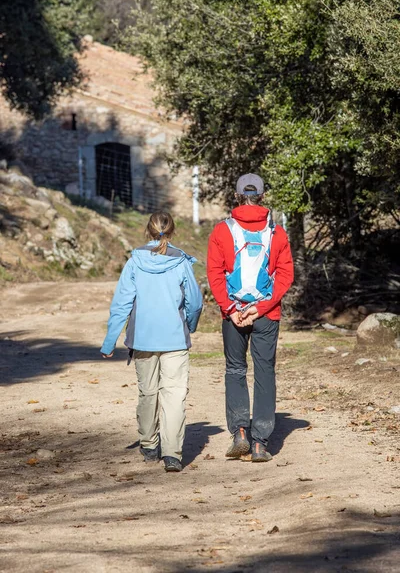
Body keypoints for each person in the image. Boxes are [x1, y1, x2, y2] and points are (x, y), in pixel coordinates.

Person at [101, 212, 203, 472]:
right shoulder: (181, 262)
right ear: (172, 231)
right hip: (175, 340)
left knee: (148, 393)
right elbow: (195, 301)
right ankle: (173, 455)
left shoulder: (135, 262)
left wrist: (110, 341)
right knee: (174, 395)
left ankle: (149, 445)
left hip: (143, 339)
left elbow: (122, 303)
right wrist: (190, 325)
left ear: (148, 231)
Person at [207, 174, 294, 462]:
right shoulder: (277, 233)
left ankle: (240, 433)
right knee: (264, 371)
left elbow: (214, 273)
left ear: (237, 195)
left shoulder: (222, 230)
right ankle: (260, 443)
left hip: (233, 313)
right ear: (263, 196)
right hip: (267, 313)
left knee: (235, 369)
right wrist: (264, 307)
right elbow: (285, 274)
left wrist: (231, 310)